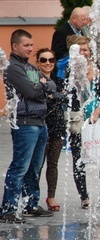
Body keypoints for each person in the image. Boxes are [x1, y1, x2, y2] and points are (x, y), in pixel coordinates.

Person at [0, 29, 56, 223]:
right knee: (20, 166)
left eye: (32, 45)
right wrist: (42, 87)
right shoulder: (13, 68)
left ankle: (30, 204)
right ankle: (8, 209)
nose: (31, 49)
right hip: (25, 123)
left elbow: (52, 85)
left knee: (35, 167)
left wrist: (42, 86)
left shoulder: (30, 68)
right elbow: (32, 92)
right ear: (15, 46)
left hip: (40, 122)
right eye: (27, 45)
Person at [64, 35, 100, 209]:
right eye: (80, 49)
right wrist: (89, 77)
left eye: (86, 49)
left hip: (98, 118)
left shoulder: (98, 67)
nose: (84, 53)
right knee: (79, 157)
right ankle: (84, 197)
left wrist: (99, 111)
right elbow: (69, 93)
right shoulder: (71, 69)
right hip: (79, 119)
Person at [36, 48, 66, 212]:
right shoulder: (34, 79)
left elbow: (67, 96)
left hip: (57, 126)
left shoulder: (58, 79)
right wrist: (56, 96)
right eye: (43, 60)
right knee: (37, 163)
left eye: (51, 60)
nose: (48, 63)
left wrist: (54, 96)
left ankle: (51, 195)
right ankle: (33, 196)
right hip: (40, 125)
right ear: (38, 62)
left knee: (53, 163)